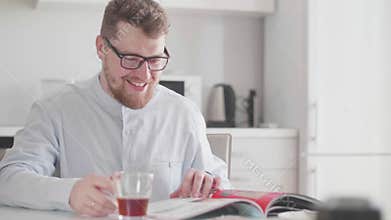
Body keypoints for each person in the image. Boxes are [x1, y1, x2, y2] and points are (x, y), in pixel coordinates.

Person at [0, 0, 230, 217]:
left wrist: (208, 181)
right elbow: (8, 180)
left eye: (155, 60)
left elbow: (218, 181)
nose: (145, 75)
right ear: (102, 48)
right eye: (131, 59)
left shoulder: (184, 113)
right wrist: (69, 193)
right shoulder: (54, 110)